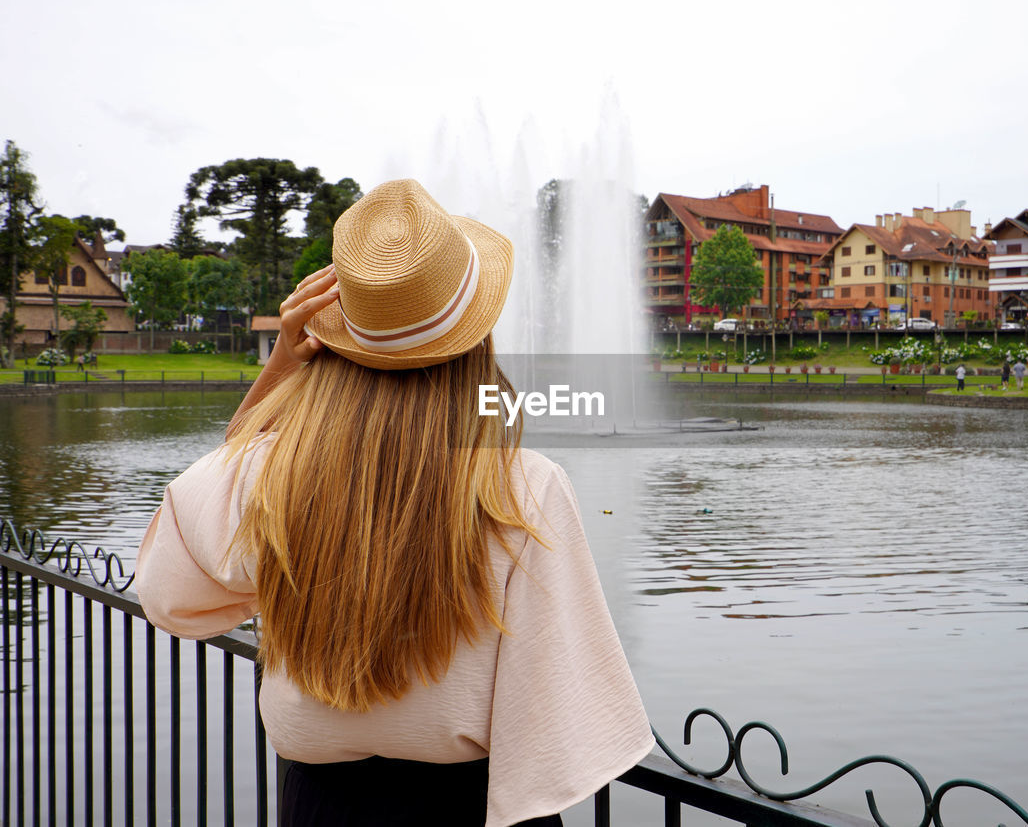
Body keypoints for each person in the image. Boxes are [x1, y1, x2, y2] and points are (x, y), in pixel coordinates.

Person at [134, 180, 654, 827]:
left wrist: (278, 373)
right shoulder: (522, 487)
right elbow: (557, 721)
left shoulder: (269, 473)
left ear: (333, 342)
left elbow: (168, 582)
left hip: (319, 809)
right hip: (472, 808)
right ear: (476, 343)